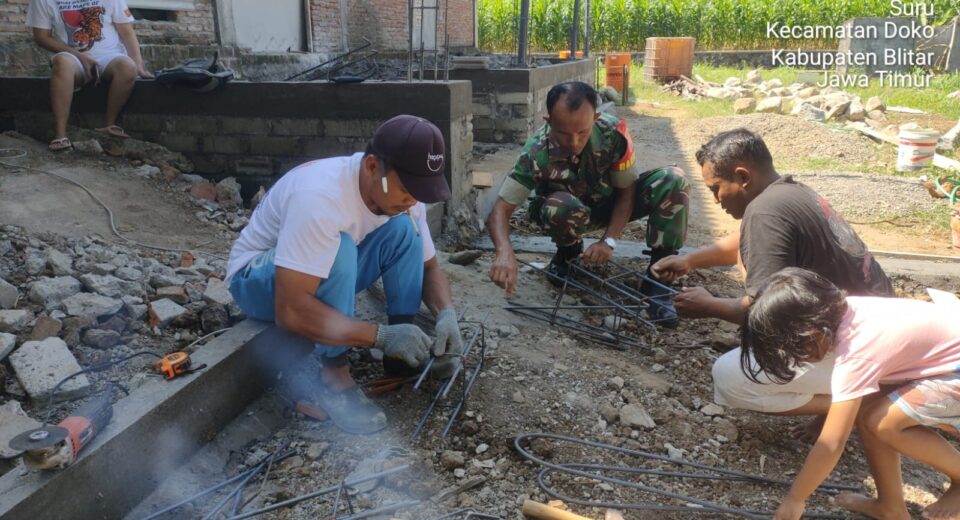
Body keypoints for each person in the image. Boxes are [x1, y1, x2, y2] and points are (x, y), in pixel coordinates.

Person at [226, 115, 464, 435]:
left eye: (420, 191)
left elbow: (429, 267)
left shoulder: (404, 199)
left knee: (405, 229)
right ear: (372, 167)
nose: (413, 199)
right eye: (407, 188)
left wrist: (446, 313)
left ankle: (403, 355)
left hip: (315, 273)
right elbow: (290, 310)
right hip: (258, 281)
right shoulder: (319, 198)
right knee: (341, 248)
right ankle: (334, 375)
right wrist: (380, 336)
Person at [650, 128, 894, 421]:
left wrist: (709, 306)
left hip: (862, 349)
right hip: (880, 326)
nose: (715, 200)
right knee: (753, 266)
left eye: (716, 189)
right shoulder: (788, 193)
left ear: (743, 177)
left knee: (729, 377)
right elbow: (745, 239)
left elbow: (764, 312)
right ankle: (856, 390)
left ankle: (858, 402)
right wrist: (689, 260)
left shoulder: (764, 213)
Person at [741, 268, 960, 520]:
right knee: (869, 415)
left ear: (812, 334)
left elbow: (831, 443)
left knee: (883, 422)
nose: (797, 358)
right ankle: (890, 507)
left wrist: (795, 499)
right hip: (943, 362)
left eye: (796, 350)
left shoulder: (857, 351)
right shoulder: (846, 312)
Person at [487, 81, 689, 325]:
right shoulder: (536, 151)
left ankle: (659, 277)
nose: (574, 143)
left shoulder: (613, 134)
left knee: (673, 180)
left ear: (595, 118)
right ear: (549, 121)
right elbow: (500, 209)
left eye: (582, 133)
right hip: (567, 212)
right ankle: (568, 255)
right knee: (560, 206)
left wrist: (609, 240)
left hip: (610, 204)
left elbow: (627, 192)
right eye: (564, 134)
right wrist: (504, 251)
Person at [26, 0, 152, 151]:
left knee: (128, 67)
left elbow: (127, 32)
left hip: (110, 56)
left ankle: (110, 124)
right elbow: (41, 37)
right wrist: (79, 56)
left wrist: (139, 65)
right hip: (72, 57)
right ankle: (60, 134)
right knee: (61, 63)